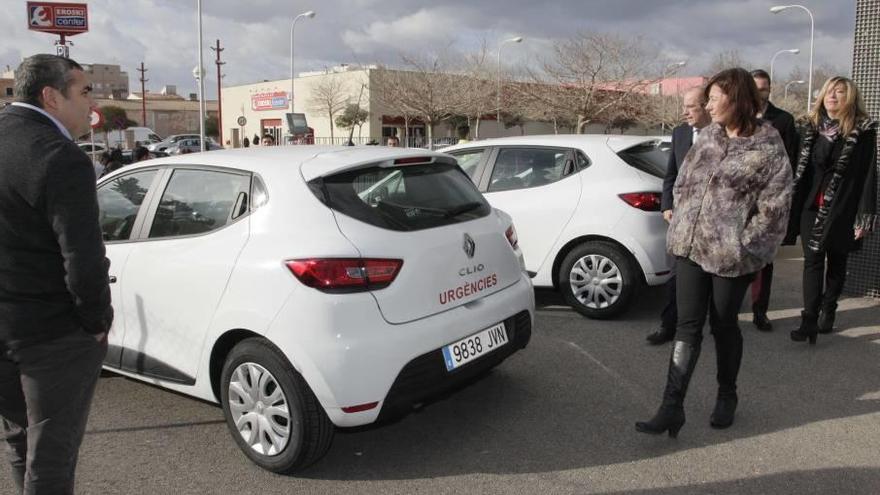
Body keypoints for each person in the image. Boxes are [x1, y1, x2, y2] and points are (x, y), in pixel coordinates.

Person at [635, 68, 792, 436]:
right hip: (690, 248)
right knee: (687, 327)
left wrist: (746, 244)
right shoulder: (707, 136)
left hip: (730, 257)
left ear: (736, 99)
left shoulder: (768, 145)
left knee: (723, 325)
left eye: (714, 98)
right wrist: (680, 220)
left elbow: (776, 207)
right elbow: (686, 182)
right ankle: (672, 406)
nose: (708, 105)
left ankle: (727, 394)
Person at [0, 54, 113, 493]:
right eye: (84, 91)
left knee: (21, 440)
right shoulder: (60, 158)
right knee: (50, 459)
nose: (92, 103)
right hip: (50, 338)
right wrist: (97, 322)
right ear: (51, 96)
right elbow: (83, 258)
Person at [789, 76, 877, 343]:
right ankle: (809, 320)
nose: (833, 96)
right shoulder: (809, 126)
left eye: (840, 92)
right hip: (810, 206)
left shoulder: (862, 130)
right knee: (813, 262)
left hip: (843, 207)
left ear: (849, 97)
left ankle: (829, 310)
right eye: (829, 91)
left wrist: (864, 216)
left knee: (837, 263)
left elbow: (868, 175)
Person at [647, 87, 712, 345]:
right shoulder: (680, 133)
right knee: (676, 276)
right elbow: (670, 174)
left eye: (691, 107)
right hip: (682, 221)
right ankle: (669, 326)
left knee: (708, 278)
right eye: (684, 106)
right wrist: (666, 205)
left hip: (711, 223)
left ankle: (708, 325)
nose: (685, 112)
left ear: (707, 106)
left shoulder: (722, 135)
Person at [748, 69, 800, 332]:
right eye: (755, 88)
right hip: (739, 199)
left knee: (764, 259)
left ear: (770, 89)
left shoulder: (784, 120)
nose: (760, 92)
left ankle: (760, 311)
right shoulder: (736, 116)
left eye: (764, 88)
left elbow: (791, 160)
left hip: (768, 201)